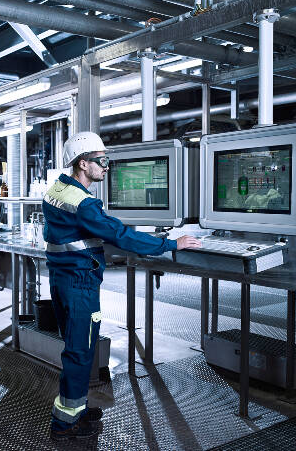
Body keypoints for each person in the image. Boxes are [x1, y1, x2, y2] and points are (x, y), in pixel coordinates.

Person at [42, 132, 201, 441]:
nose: (106, 166)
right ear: (83, 164)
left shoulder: (57, 189)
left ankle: (75, 408)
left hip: (62, 279)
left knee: (74, 348)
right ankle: (65, 424)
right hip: (80, 284)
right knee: (80, 352)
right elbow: (121, 236)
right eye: (101, 161)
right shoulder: (85, 204)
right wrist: (169, 243)